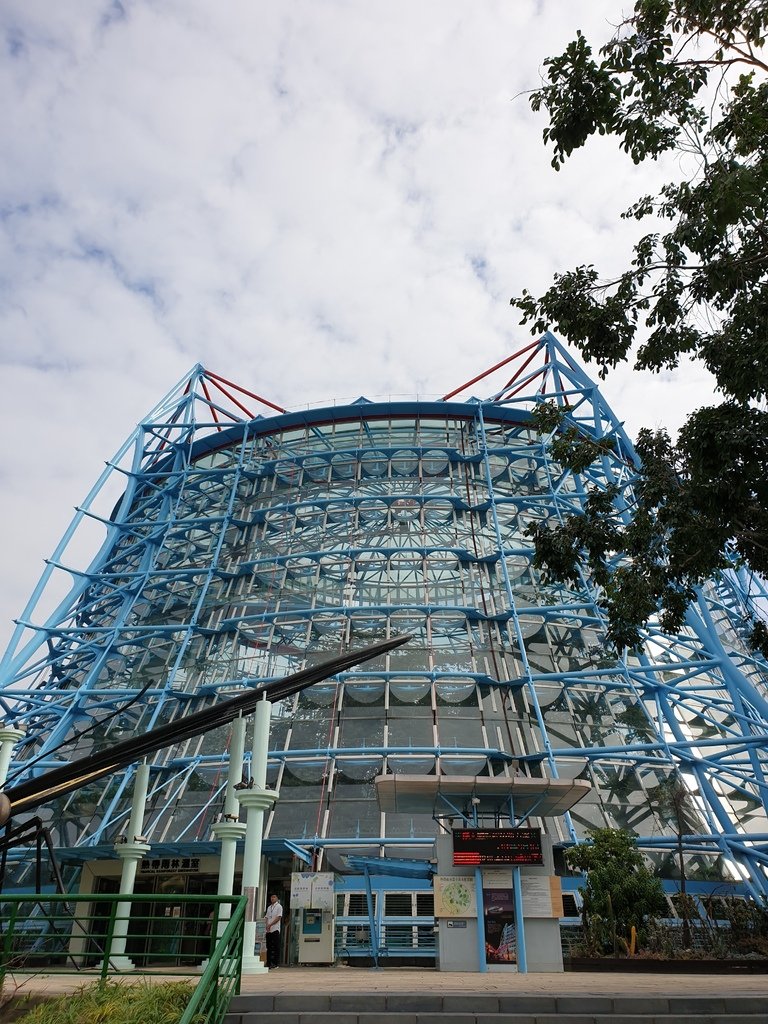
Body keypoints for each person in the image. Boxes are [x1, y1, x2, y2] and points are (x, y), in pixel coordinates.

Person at [264, 893, 282, 968]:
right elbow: (267, 917)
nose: (272, 898)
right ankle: (269, 963)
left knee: (276, 946)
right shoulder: (269, 907)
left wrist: (270, 924)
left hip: (275, 929)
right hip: (269, 930)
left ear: (277, 898)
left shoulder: (279, 907)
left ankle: (276, 963)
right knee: (269, 947)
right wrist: (267, 925)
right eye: (271, 897)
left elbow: (278, 917)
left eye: (274, 897)